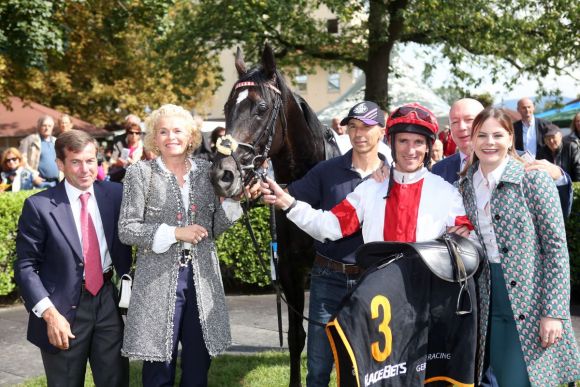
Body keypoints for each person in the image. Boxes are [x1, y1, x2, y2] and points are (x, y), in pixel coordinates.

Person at [118, 104, 243, 387]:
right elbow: (127, 230)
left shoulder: (205, 171)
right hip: (157, 283)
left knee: (198, 367)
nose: (170, 137)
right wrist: (176, 232)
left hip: (202, 280)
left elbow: (212, 228)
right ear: (154, 138)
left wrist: (235, 202)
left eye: (177, 131)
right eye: (163, 131)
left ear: (191, 136)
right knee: (158, 368)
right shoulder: (141, 173)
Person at [457, 107, 580, 386]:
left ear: (511, 138)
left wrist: (554, 312)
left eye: (498, 135)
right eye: (482, 135)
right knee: (495, 376)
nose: (490, 142)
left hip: (531, 301)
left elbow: (556, 249)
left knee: (519, 380)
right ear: (472, 140)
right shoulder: (465, 184)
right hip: (487, 300)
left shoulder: (532, 179)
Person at [262, 102, 471, 251]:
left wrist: (463, 240)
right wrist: (288, 203)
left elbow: (473, 240)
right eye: (403, 141)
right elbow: (330, 226)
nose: (410, 150)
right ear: (391, 143)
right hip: (380, 297)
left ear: (428, 148)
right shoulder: (371, 188)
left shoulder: (447, 193)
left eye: (418, 142)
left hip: (427, 298)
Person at [278, 100, 386, 387]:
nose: (359, 133)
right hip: (329, 279)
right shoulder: (326, 171)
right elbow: (290, 195)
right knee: (318, 368)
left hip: (375, 282)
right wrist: (259, 188)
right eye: (353, 127)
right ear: (346, 131)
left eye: (367, 127)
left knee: (370, 369)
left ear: (382, 132)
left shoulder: (395, 177)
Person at [14, 129, 132, 386]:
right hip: (61, 309)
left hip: (106, 301)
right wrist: (49, 314)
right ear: (60, 164)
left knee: (116, 380)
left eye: (90, 161)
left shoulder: (115, 195)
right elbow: (25, 266)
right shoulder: (40, 206)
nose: (85, 169)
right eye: (76, 162)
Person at [432, 98, 573, 218]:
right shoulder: (439, 170)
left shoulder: (523, 162)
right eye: (454, 122)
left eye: (469, 120)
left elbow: (557, 214)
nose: (461, 127)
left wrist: (559, 178)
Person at [19, 115, 61, 188]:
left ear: (52, 127)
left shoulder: (56, 141)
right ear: (39, 127)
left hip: (57, 182)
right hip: (38, 183)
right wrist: (33, 176)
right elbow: (22, 160)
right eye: (44, 125)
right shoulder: (30, 140)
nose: (47, 128)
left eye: (49, 126)